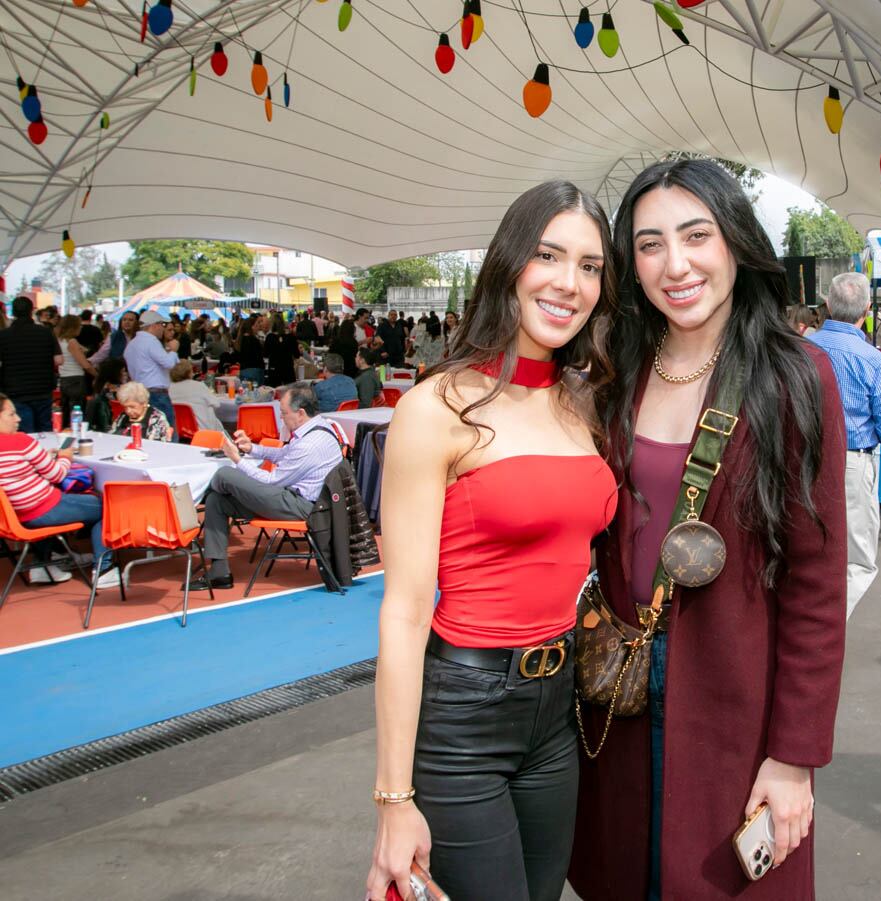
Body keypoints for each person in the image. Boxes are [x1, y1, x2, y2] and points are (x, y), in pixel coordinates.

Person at [572, 159, 846, 901]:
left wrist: (794, 756)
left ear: (736, 242)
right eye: (650, 244)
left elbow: (817, 586)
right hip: (617, 687)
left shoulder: (794, 376)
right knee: (622, 874)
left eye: (697, 236)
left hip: (736, 696)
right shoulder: (614, 371)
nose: (676, 264)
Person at [366, 181, 617, 901]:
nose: (569, 283)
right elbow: (404, 613)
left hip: (560, 709)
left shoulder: (584, 402)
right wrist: (392, 801)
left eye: (590, 266)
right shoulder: (435, 408)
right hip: (464, 718)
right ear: (509, 262)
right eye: (548, 255)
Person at [807, 272, 881, 618]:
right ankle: (826, 627)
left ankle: (805, 622)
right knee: (857, 559)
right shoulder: (872, 359)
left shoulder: (800, 350)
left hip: (798, 458)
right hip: (851, 462)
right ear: (867, 309)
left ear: (828, 305)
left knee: (804, 548)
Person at [188, 383, 345, 591]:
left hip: (303, 506)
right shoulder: (319, 427)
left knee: (224, 474)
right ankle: (219, 572)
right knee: (217, 500)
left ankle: (203, 491)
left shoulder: (309, 444)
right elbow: (284, 454)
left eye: (284, 413)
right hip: (297, 500)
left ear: (300, 413)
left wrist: (237, 459)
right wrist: (252, 449)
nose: (281, 417)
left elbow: (272, 481)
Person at [0, 393, 121, 588]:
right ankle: (104, 570)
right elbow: (57, 475)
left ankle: (44, 565)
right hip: (44, 507)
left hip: (17, 513)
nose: (18, 419)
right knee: (109, 507)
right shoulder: (20, 441)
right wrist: (65, 457)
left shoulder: (17, 445)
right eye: (11, 414)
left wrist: (43, 458)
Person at [0, 294, 63, 433]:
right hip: (42, 389)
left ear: (13, 312)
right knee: (46, 431)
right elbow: (59, 360)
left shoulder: (3, 335)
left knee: (25, 432)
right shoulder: (46, 332)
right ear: (31, 311)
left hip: (15, 390)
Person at [123, 311, 179, 436]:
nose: (163, 328)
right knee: (167, 433)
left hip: (140, 393)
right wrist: (173, 351)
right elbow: (168, 363)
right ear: (154, 325)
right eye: (162, 325)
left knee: (146, 433)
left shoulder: (131, 344)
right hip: (156, 394)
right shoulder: (151, 341)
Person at [55, 315, 97, 416]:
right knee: (77, 411)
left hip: (64, 379)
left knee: (66, 410)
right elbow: (85, 365)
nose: (81, 327)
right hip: (76, 380)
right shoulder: (72, 342)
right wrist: (97, 375)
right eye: (79, 325)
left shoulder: (59, 341)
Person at [167, 359, 223, 432]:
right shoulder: (199, 386)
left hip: (179, 430)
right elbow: (217, 404)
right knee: (210, 409)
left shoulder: (168, 389)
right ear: (189, 372)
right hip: (202, 430)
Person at [85, 359, 127, 432]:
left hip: (98, 423)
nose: (125, 374)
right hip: (113, 422)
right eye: (123, 371)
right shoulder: (116, 389)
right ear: (115, 373)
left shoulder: (99, 384)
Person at [264, 314, 301, 386]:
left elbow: (265, 354)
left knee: (274, 391)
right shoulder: (291, 337)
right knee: (290, 391)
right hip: (288, 370)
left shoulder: (270, 337)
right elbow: (297, 355)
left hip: (274, 370)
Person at [236, 315, 267, 384]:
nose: (258, 327)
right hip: (255, 370)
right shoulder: (254, 340)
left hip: (243, 370)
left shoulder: (240, 340)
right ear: (252, 327)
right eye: (257, 325)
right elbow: (259, 356)